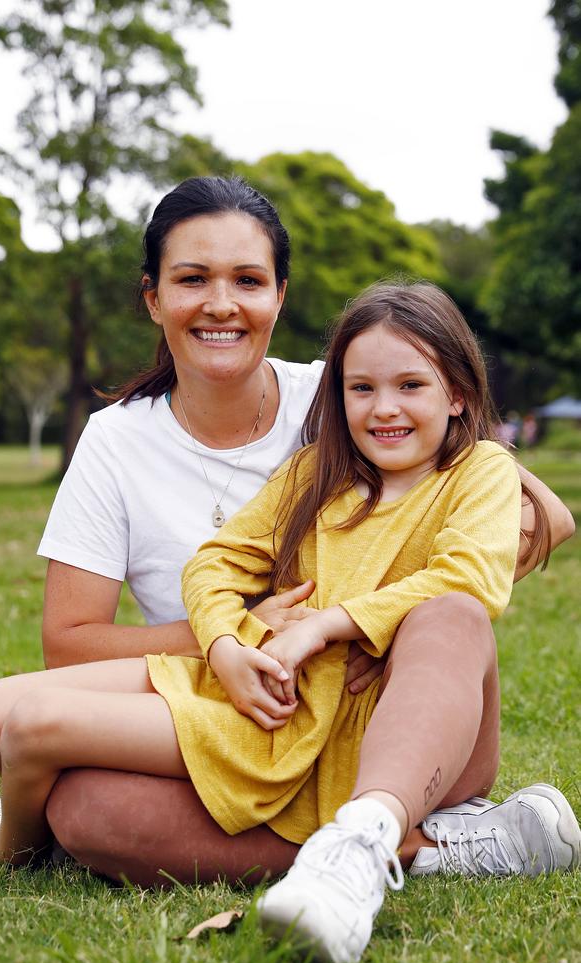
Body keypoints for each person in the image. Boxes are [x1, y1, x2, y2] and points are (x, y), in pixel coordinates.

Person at [0, 281, 579, 963]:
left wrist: (330, 625)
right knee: (48, 779)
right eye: (361, 389)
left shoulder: (476, 470)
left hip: (402, 738)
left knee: (449, 613)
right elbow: (214, 564)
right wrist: (225, 643)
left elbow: (474, 575)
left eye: (412, 386)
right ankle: (436, 849)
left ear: (456, 394)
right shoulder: (317, 472)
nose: (384, 408)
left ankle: (367, 844)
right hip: (277, 704)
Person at [32, 176, 573, 887]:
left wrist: (371, 623)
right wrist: (240, 636)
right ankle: (430, 852)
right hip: (242, 718)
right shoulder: (115, 443)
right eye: (192, 279)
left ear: (279, 295)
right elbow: (68, 645)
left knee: (448, 618)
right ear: (153, 298)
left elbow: (542, 518)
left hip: (384, 719)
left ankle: (387, 826)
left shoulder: (341, 394)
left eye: (247, 280)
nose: (221, 304)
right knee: (80, 811)